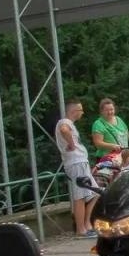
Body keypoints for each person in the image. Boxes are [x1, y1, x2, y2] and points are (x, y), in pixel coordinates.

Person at [54, 99, 94, 237]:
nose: (82, 113)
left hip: (81, 161)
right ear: (73, 111)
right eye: (80, 110)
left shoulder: (71, 124)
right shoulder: (64, 122)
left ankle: (87, 223)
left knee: (95, 193)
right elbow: (64, 130)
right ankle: (81, 229)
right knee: (80, 196)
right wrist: (71, 143)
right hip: (75, 162)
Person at [90, 98, 129, 167]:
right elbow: (98, 143)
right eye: (107, 110)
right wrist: (113, 146)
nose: (110, 112)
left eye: (111, 109)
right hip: (107, 159)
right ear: (101, 111)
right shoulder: (98, 124)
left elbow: (126, 132)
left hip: (122, 157)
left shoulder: (119, 119)